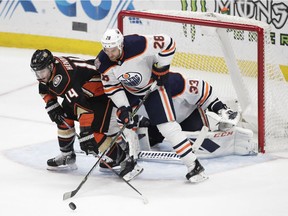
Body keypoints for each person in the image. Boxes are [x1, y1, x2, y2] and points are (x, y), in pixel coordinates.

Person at [95, 28, 207, 183]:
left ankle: (193, 165)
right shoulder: (103, 61)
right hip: (130, 91)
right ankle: (131, 160)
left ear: (120, 45)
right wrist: (124, 107)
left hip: (154, 87)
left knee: (167, 127)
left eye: (113, 50)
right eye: (107, 50)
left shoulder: (137, 44)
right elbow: (112, 87)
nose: (110, 54)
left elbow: (168, 42)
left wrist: (162, 68)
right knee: (122, 120)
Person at [30, 49, 127, 172]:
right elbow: (44, 90)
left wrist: (86, 132)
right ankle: (67, 156)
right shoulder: (49, 73)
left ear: (50, 66)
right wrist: (51, 103)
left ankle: (123, 158)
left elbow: (83, 109)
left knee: (93, 133)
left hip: (101, 92)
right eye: (37, 73)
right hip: (82, 92)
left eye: (42, 72)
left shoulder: (64, 78)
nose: (39, 76)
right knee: (64, 118)